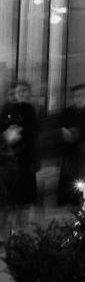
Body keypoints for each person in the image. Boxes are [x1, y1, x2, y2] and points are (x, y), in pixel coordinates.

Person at [0, 81, 40, 229]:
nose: (20, 94)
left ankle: (22, 225)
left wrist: (20, 133)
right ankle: (13, 224)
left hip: (26, 157)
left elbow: (34, 131)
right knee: (13, 194)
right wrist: (7, 134)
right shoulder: (8, 108)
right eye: (18, 91)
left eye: (24, 91)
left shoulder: (30, 109)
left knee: (25, 193)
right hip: (11, 158)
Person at [57, 84, 85, 207]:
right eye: (76, 96)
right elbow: (61, 126)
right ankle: (69, 202)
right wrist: (64, 132)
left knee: (84, 179)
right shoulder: (68, 112)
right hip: (70, 151)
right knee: (70, 179)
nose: (78, 98)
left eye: (81, 95)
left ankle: (84, 201)